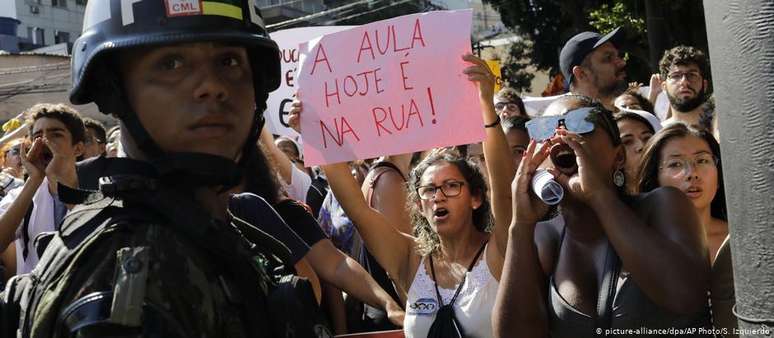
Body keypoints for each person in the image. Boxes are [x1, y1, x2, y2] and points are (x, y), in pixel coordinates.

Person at [0, 1, 325, 337]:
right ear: (115, 91)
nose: (212, 86)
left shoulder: (206, 225)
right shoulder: (126, 271)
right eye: (171, 63)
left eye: (229, 61)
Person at [312, 54, 513, 338]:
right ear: (418, 204)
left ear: (476, 198)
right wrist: (318, 136)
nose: (438, 196)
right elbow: (358, 209)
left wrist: (486, 108)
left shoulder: (500, 249)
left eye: (451, 186)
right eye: (429, 190)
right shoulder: (409, 259)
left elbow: (504, 191)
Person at [492, 95, 711, 337]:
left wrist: (599, 196)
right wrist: (520, 226)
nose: (559, 136)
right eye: (546, 129)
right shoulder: (545, 236)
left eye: (577, 123)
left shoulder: (662, 204)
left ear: (618, 156)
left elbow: (685, 296)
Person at [636, 122, 735, 336]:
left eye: (702, 160)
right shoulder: (640, 242)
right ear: (656, 179)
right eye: (675, 164)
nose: (692, 173)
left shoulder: (742, 240)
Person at [0, 103, 85, 275]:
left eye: (56, 134)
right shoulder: (22, 195)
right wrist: (34, 180)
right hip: (37, 298)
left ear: (78, 148)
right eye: (38, 136)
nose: (45, 141)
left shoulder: (100, 189)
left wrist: (56, 179)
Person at [559, 27, 627, 111]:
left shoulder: (633, 115)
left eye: (618, 56)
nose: (622, 63)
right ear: (581, 74)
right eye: (608, 57)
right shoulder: (571, 122)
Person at [657, 46, 713, 130]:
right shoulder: (657, 134)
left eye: (692, 75)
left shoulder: (723, 126)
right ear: (664, 87)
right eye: (676, 76)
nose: (684, 81)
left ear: (704, 85)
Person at [614, 108, 662, 193]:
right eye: (627, 142)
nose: (641, 146)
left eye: (647, 138)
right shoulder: (606, 199)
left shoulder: (676, 191)